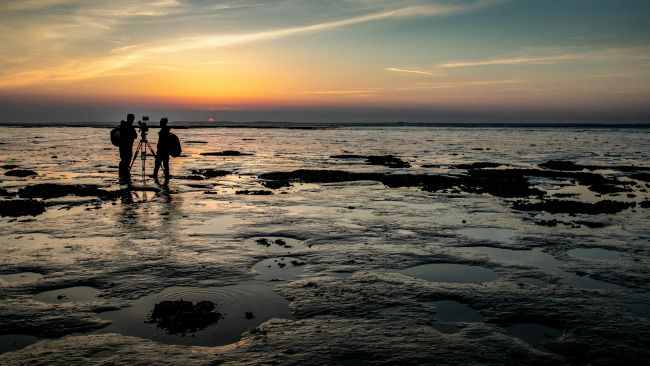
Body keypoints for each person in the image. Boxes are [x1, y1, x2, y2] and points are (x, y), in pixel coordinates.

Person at [118, 113, 137, 184]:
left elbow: (134, 136)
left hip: (124, 146)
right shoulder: (128, 127)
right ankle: (124, 174)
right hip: (126, 147)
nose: (132, 120)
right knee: (126, 160)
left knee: (124, 160)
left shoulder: (123, 126)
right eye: (132, 119)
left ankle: (123, 174)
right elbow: (135, 136)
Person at [153, 117, 171, 182]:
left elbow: (163, 142)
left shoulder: (164, 131)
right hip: (165, 151)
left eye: (161, 123)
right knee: (165, 164)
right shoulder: (165, 131)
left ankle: (155, 175)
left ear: (163, 123)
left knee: (158, 164)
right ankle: (167, 176)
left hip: (162, 151)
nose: (160, 124)